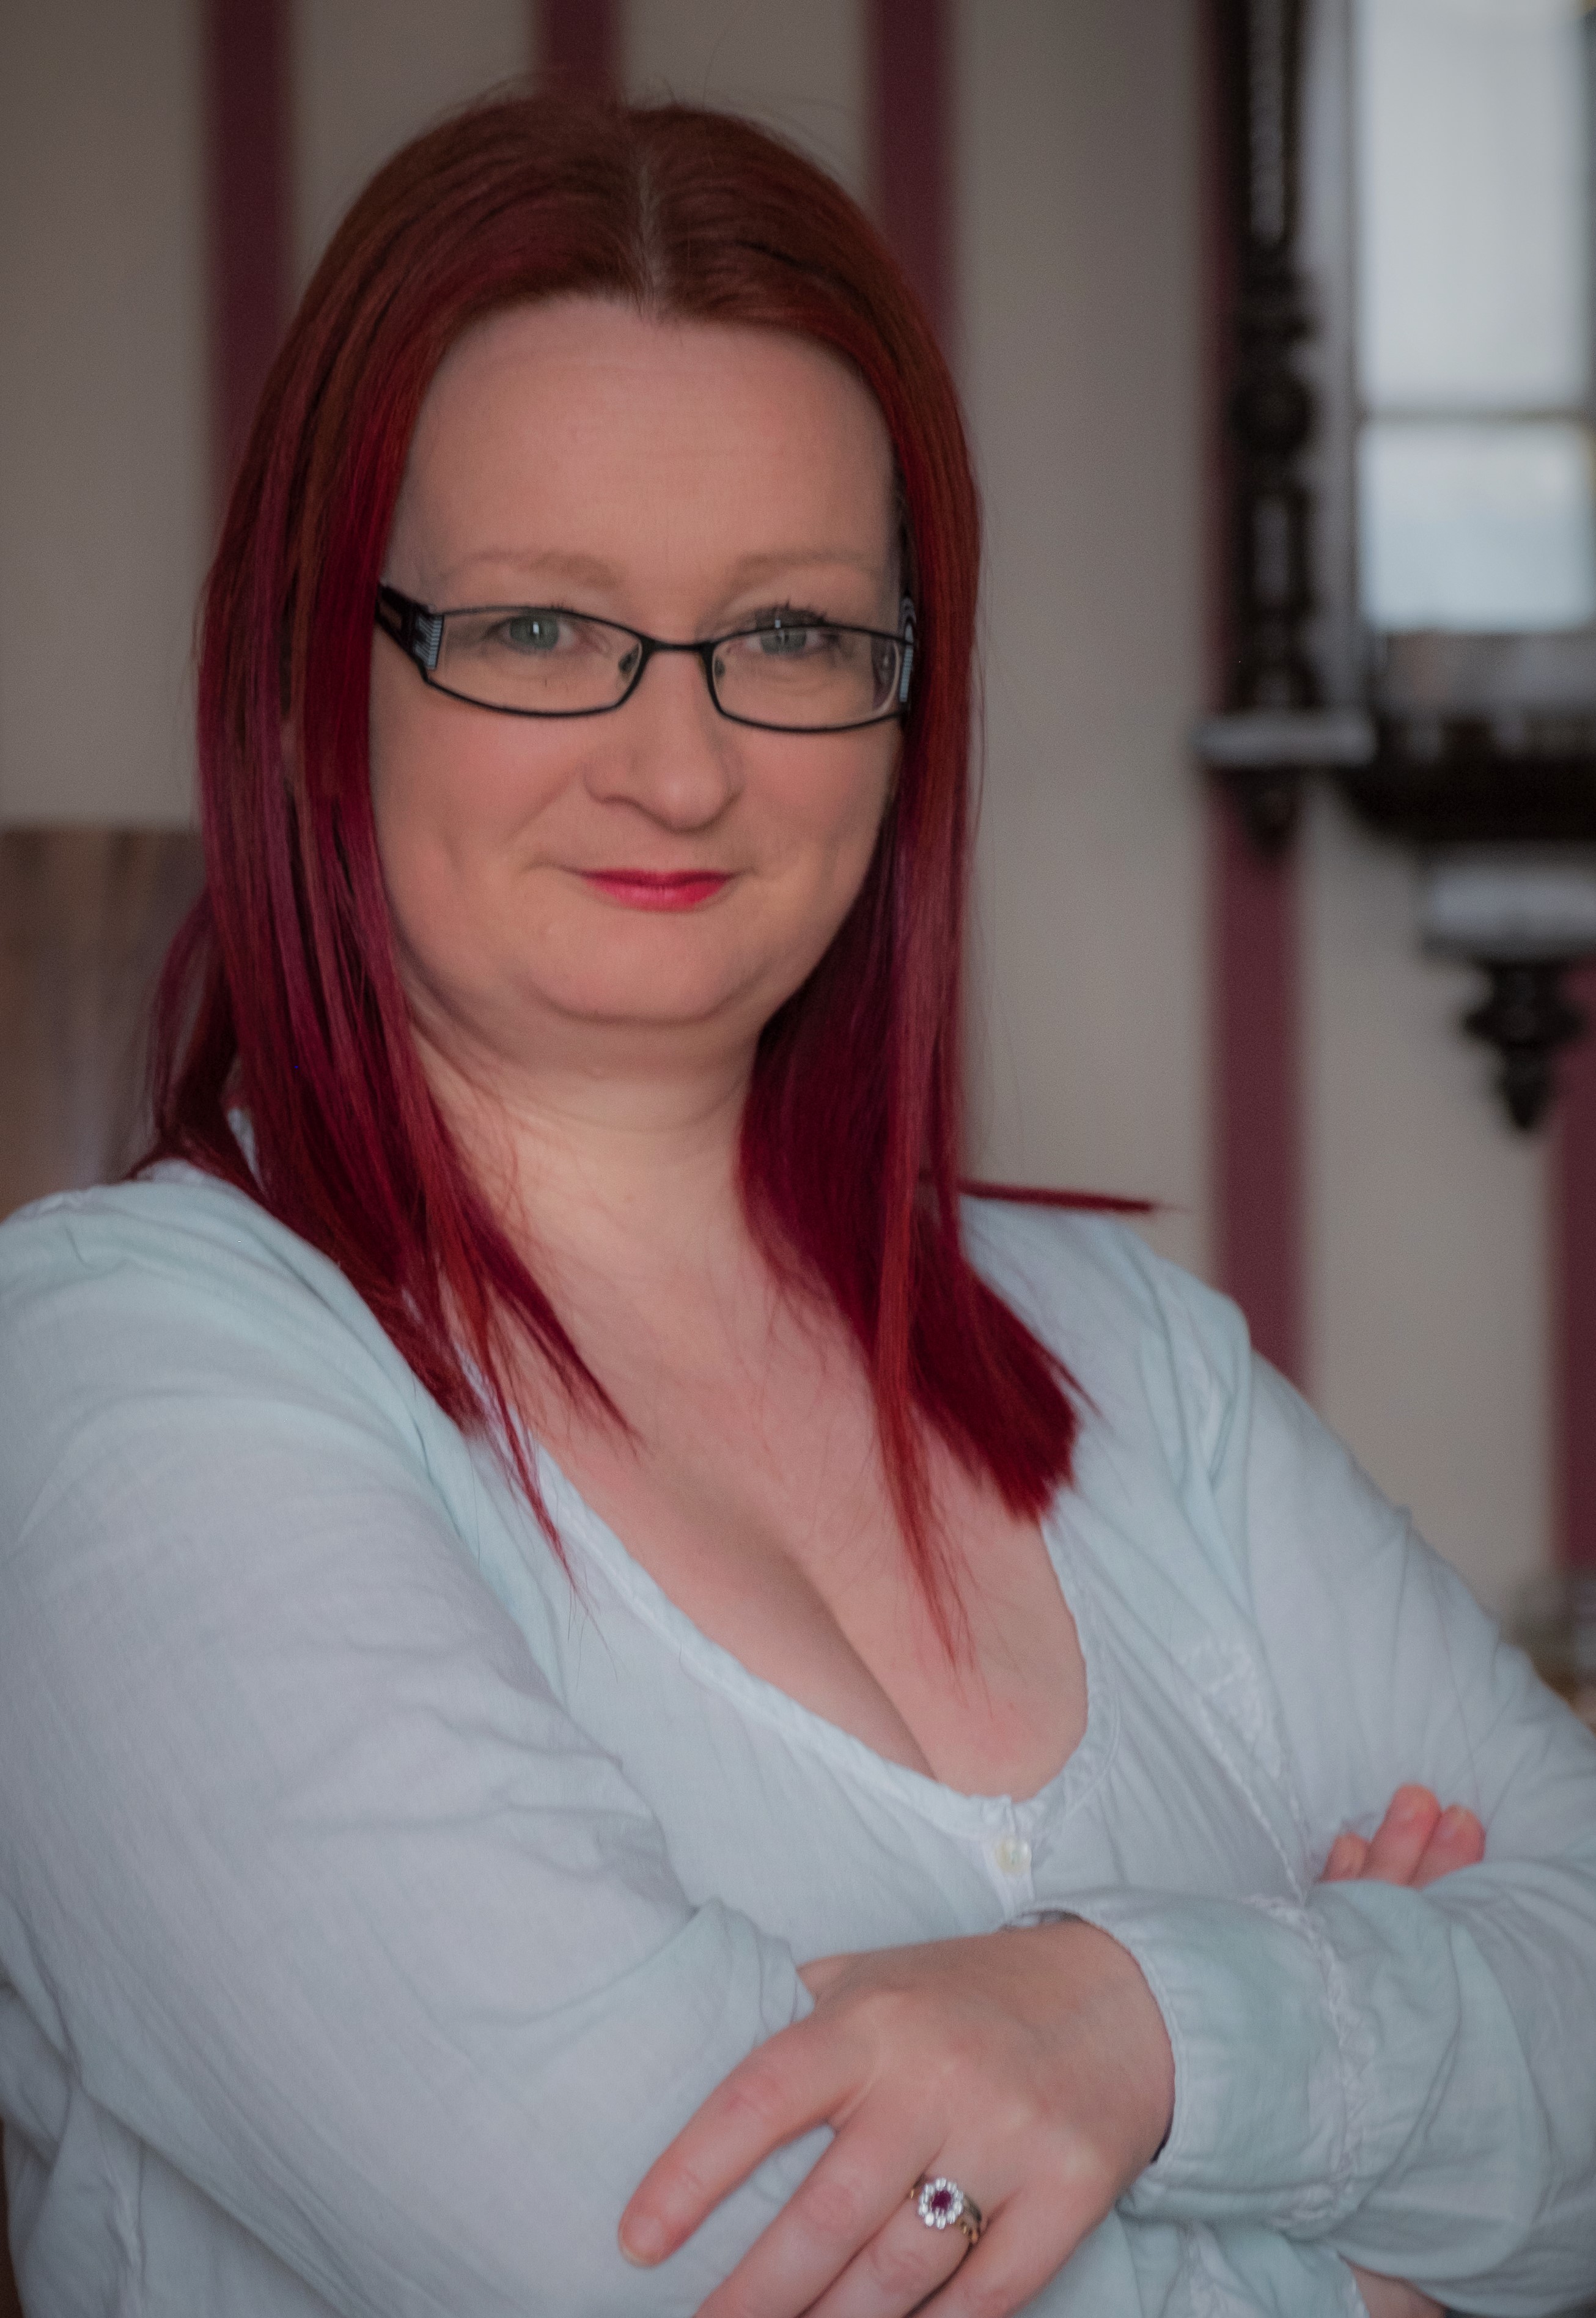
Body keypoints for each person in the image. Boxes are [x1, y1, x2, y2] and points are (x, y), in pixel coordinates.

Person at [0, 90, 1592, 2318]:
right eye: (536, 626)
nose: (680, 764)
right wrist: (1394, 2227)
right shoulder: (110, 1391)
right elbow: (681, 2266)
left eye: (793, 635)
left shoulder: (1130, 1356)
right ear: (304, 681)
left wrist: (1131, 2023)